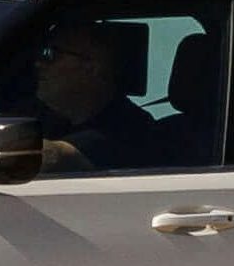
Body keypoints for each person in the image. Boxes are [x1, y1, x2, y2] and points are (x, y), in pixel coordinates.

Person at [27, 20, 160, 172]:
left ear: (92, 67)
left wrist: (7, 146)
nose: (39, 64)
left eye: (51, 54)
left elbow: (53, 157)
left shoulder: (129, 128)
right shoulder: (49, 118)